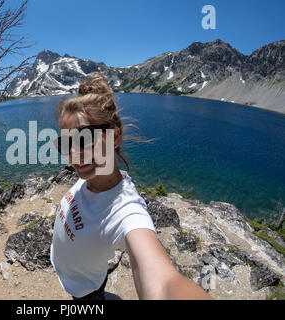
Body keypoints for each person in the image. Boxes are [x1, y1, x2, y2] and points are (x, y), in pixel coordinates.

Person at [50, 73, 212, 300]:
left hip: (84, 289)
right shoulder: (92, 174)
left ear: (114, 137)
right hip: (71, 273)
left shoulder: (126, 210)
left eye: (84, 138)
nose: (75, 153)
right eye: (66, 143)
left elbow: (163, 282)